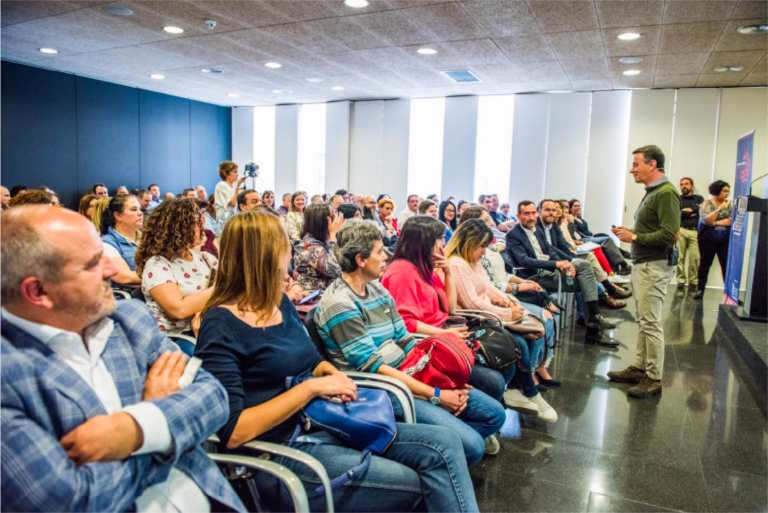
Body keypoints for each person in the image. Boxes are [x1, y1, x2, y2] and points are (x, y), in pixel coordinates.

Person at [195, 210, 479, 513]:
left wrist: (334, 377)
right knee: (416, 482)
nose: (290, 254)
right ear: (264, 255)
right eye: (284, 247)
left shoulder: (277, 304)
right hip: (279, 449)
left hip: (322, 419)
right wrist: (311, 389)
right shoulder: (220, 325)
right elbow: (234, 432)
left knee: (445, 445)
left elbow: (314, 360)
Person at [0, 205, 245, 513]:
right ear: (38, 291)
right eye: (92, 263)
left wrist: (134, 428)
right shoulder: (9, 372)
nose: (112, 270)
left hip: (207, 498)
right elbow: (74, 501)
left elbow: (213, 398)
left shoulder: (129, 320)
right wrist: (157, 426)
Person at [315, 220, 507, 467]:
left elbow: (405, 340)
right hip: (382, 389)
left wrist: (437, 379)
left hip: (407, 372)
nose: (385, 256)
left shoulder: (377, 291)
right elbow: (374, 367)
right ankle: (430, 457)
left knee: (494, 415)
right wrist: (436, 395)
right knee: (472, 446)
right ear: (361, 259)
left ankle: (439, 452)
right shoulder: (339, 303)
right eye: (378, 251)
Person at [380, 216, 515, 450]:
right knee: (492, 380)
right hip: (427, 343)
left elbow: (449, 308)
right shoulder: (402, 272)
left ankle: (471, 421)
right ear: (423, 242)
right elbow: (405, 323)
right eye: (439, 240)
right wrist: (443, 335)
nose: (443, 245)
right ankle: (465, 427)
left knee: (508, 352)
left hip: (444, 332)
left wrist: (447, 272)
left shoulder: (426, 267)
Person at [446, 219, 558, 422]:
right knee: (519, 343)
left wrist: (507, 302)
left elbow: (487, 287)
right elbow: (472, 303)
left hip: (487, 315)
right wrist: (506, 314)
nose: (484, 251)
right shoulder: (456, 264)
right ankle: (529, 392)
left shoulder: (472, 261)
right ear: (468, 242)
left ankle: (520, 389)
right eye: (481, 246)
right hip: (473, 320)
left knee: (528, 337)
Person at [610, 145, 680, 399]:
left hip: (654, 265)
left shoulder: (666, 193)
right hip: (646, 264)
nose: (631, 170)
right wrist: (632, 234)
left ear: (652, 165)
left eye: (636, 164)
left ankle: (653, 377)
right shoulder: (655, 192)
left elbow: (668, 234)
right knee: (644, 321)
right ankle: (640, 367)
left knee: (650, 323)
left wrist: (635, 236)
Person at [507, 201, 620, 347]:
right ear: (518, 215)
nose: (531, 217)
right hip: (535, 277)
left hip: (551, 270)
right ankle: (594, 325)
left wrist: (565, 264)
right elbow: (525, 261)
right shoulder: (513, 235)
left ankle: (594, 320)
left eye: (533, 213)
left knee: (584, 268)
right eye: (526, 214)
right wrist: (557, 265)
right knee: (586, 279)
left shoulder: (538, 231)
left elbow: (551, 251)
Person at [135, 199, 217, 341]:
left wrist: (200, 311)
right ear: (179, 228)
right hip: (177, 337)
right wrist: (218, 289)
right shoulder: (157, 264)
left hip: (208, 326)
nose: (203, 223)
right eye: (196, 220)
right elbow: (179, 309)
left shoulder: (204, 258)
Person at [694, 179, 732, 300]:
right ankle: (700, 290)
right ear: (717, 191)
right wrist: (719, 209)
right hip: (707, 239)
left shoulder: (730, 204)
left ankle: (729, 292)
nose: (727, 193)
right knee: (705, 264)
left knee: (725, 265)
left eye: (728, 191)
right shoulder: (706, 204)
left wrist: (715, 223)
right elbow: (706, 220)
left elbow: (730, 221)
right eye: (724, 191)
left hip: (724, 239)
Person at [293, 203, 344, 292]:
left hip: (331, 293)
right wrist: (333, 236)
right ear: (322, 222)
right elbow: (334, 270)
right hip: (314, 297)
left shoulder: (324, 241)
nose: (336, 221)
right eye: (333, 217)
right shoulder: (307, 246)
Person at [101, 194, 142, 289]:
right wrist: (162, 277)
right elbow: (125, 277)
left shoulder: (148, 238)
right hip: (129, 298)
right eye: (134, 209)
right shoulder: (106, 243)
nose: (140, 213)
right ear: (118, 216)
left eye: (139, 209)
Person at [675, 177, 705, 291]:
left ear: (692, 186)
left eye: (686, 184)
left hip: (695, 231)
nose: (684, 186)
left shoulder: (699, 198)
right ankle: (681, 281)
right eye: (681, 184)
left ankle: (693, 281)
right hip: (681, 230)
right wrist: (687, 213)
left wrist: (688, 211)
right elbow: (675, 213)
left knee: (695, 257)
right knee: (679, 257)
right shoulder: (677, 199)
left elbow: (700, 210)